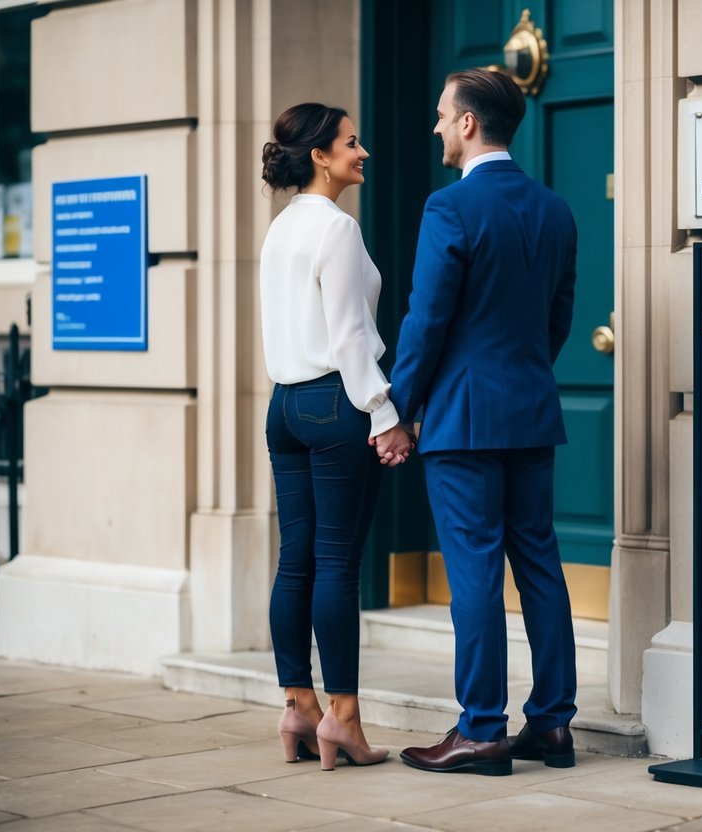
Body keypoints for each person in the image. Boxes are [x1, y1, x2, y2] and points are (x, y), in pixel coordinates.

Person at [387, 69, 579, 776]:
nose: (436, 127)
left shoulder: (450, 209)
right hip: (530, 409)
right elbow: (557, 317)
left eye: (443, 116)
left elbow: (425, 320)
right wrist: (520, 375)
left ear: (468, 124)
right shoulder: (555, 209)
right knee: (539, 567)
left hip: (465, 420)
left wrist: (396, 410)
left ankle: (481, 729)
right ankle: (553, 725)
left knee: (472, 572)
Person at [259, 102, 414, 771]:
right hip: (333, 403)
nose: (364, 152)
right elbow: (351, 340)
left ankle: (299, 704)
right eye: (353, 142)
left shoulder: (280, 228)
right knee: (335, 563)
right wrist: (385, 415)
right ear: (320, 156)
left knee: (297, 559)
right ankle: (343, 719)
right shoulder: (337, 229)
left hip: (284, 406)